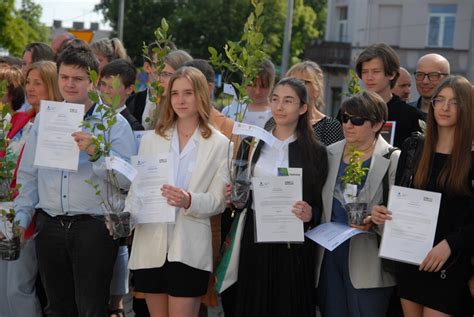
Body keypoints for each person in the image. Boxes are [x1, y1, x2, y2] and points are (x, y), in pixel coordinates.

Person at [14, 41, 137, 316]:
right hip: (50, 225)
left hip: (93, 228)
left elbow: (128, 182)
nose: (70, 84)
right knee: (57, 308)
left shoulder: (114, 124)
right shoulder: (45, 120)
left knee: (91, 308)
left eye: (78, 79)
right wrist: (22, 219)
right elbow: (28, 176)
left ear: (93, 80)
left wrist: (98, 154)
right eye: (64, 77)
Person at [126, 66, 229, 317]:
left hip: (189, 249)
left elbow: (218, 201)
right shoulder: (151, 140)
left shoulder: (220, 144)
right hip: (150, 246)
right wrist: (125, 217)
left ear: (201, 96)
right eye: (175, 94)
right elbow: (137, 192)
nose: (180, 100)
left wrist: (188, 200)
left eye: (188, 93)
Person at [372, 75, 473, 316]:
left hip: (449, 261)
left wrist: (450, 245)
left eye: (454, 102)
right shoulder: (413, 148)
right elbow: (402, 198)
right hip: (410, 255)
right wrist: (382, 211)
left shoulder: (471, 157)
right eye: (440, 100)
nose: (445, 108)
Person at [227, 77, 327, 317]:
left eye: (288, 100)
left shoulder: (316, 151)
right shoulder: (252, 143)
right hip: (256, 233)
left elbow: (318, 201)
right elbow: (240, 187)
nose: (280, 107)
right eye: (275, 99)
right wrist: (234, 195)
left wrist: (310, 212)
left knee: (288, 303)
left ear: (303, 108)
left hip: (293, 241)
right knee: (254, 300)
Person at [316, 91, 400, 316]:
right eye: (345, 118)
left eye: (357, 120)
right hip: (329, 258)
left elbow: (400, 215)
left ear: (378, 124)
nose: (348, 125)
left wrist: (376, 220)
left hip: (369, 260)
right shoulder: (329, 152)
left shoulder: (393, 158)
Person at [184, 58, 235, 317]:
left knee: (201, 297)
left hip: (212, 221)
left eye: (193, 90)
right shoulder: (168, 127)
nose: (186, 99)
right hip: (173, 227)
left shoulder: (225, 128)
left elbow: (232, 176)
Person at [355, 43, 424, 148]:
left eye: (376, 71)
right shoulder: (350, 111)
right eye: (364, 72)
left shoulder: (411, 116)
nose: (369, 77)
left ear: (391, 74)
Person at [265, 61, 344, 146]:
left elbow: (333, 157)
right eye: (292, 82)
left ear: (317, 89)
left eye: (303, 82)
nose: (296, 88)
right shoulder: (274, 121)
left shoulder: (330, 126)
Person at [126, 49, 192, 129]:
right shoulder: (155, 104)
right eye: (159, 74)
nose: (160, 79)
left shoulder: (191, 111)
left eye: (166, 74)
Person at [221, 59, 275, 128]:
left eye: (263, 86)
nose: (257, 91)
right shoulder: (229, 111)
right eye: (252, 85)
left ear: (272, 85)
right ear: (244, 82)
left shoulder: (277, 115)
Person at [100, 59, 144, 130]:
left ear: (129, 89)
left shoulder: (133, 126)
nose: (105, 91)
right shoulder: (91, 116)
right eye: (103, 84)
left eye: (112, 86)